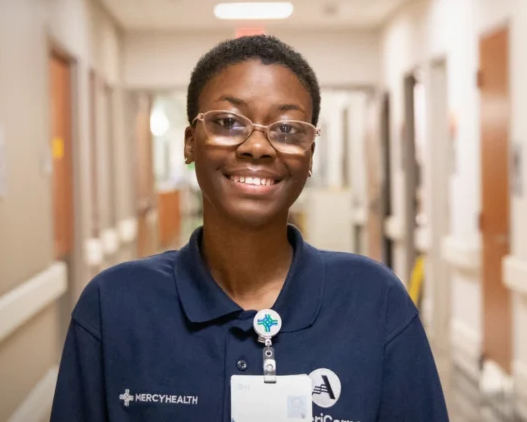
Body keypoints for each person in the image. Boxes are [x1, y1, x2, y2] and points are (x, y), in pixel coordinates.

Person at [50, 35, 448, 421]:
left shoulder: (374, 302)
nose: (257, 146)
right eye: (228, 121)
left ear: (310, 156)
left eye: (288, 129)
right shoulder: (115, 305)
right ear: (190, 142)